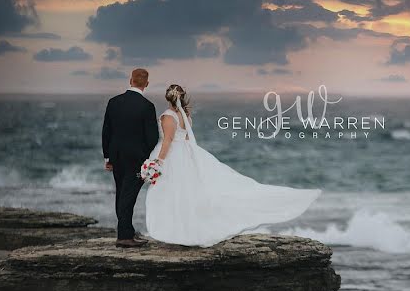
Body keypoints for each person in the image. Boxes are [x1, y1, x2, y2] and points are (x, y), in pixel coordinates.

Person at [145, 84, 320, 247]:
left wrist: (159, 162)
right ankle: (181, 230)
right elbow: (187, 139)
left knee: (172, 192)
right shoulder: (186, 116)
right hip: (186, 154)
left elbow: (168, 141)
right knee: (183, 192)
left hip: (174, 156)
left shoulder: (168, 116)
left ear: (168, 98)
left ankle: (176, 231)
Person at [101, 68, 158, 248]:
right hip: (136, 159)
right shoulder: (147, 106)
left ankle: (126, 232)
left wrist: (107, 157)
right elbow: (152, 138)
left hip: (116, 156)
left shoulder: (113, 102)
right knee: (128, 195)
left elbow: (106, 131)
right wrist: (146, 158)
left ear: (130, 80)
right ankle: (124, 236)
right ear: (146, 84)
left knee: (122, 193)